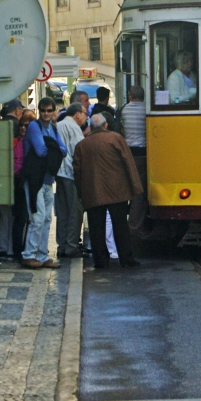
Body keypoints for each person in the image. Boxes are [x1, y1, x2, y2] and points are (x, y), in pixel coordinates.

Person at [73, 113, 143, 268]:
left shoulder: (82, 145)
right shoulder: (116, 139)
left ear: (91, 127)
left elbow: (77, 171)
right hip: (118, 191)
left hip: (93, 192)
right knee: (120, 225)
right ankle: (126, 258)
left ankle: (100, 261)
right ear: (106, 125)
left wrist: (81, 192)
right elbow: (129, 163)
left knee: (96, 227)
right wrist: (135, 187)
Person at [21, 98, 66, 268]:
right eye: (43, 110)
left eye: (49, 110)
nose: (46, 113)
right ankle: (29, 254)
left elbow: (64, 150)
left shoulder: (52, 128)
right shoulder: (34, 126)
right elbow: (41, 150)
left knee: (46, 218)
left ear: (54, 111)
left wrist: (52, 148)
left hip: (47, 179)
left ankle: (41, 254)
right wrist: (54, 149)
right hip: (35, 179)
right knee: (37, 218)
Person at [55, 103, 88, 257]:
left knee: (62, 211)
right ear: (77, 114)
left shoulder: (59, 125)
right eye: (85, 113)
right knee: (75, 211)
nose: (86, 117)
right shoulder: (74, 128)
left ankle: (61, 245)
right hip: (71, 173)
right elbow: (79, 151)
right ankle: (71, 246)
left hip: (59, 172)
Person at [0, 98, 24, 261]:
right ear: (17, 110)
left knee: (2, 215)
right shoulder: (18, 127)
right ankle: (12, 248)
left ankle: (2, 247)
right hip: (14, 176)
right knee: (14, 215)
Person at [119, 86, 149, 233]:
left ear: (130, 96)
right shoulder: (146, 110)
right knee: (140, 191)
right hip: (143, 153)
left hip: (128, 153)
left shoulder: (124, 110)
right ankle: (135, 225)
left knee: (128, 189)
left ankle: (125, 223)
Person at [11, 112, 34, 259]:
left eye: (26, 125)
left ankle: (19, 249)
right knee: (22, 217)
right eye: (21, 125)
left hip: (21, 181)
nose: (23, 128)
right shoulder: (19, 142)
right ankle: (19, 249)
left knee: (22, 218)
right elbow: (17, 163)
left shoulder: (23, 141)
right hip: (21, 182)